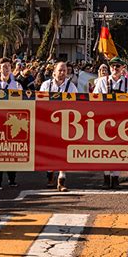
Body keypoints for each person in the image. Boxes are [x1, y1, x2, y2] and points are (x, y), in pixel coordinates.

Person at [94, 56, 128, 189]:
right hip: (105, 121)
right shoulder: (101, 82)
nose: (114, 68)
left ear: (123, 68)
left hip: (122, 122)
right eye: (112, 66)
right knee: (106, 150)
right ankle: (106, 177)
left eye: (117, 66)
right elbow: (95, 99)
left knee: (119, 150)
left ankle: (115, 177)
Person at [40, 62, 78, 192]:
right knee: (50, 151)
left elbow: (77, 105)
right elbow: (39, 103)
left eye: (65, 70)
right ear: (54, 72)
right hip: (48, 123)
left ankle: (61, 180)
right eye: (60, 70)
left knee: (63, 152)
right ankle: (49, 175)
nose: (63, 73)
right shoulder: (46, 85)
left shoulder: (71, 87)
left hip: (65, 123)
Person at [0, 58, 22, 190]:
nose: (6, 69)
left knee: (12, 152)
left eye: (8, 66)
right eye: (3, 66)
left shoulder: (17, 86)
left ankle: (12, 179)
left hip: (13, 122)